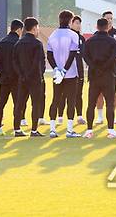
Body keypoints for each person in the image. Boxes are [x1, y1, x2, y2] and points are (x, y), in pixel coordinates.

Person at [82, 18, 116, 138]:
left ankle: (89, 130)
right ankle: (111, 130)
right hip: (108, 76)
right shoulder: (112, 41)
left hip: (94, 76)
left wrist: (95, 67)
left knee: (91, 103)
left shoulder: (90, 41)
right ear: (107, 27)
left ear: (96, 26)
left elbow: (85, 56)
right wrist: (104, 68)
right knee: (110, 103)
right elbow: (114, 58)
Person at [47, 10, 82, 138]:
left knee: (55, 100)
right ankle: (69, 130)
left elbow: (49, 55)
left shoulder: (52, 35)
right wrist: (65, 70)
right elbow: (72, 55)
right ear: (70, 20)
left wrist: (57, 69)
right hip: (70, 74)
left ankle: (52, 129)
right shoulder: (73, 35)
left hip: (57, 74)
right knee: (71, 101)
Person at [13, 17, 46, 137]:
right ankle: (34, 130)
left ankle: (17, 129)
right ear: (34, 28)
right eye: (37, 28)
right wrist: (38, 75)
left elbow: (15, 61)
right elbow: (38, 62)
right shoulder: (37, 44)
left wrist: (22, 74)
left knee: (20, 103)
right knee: (36, 104)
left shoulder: (19, 43)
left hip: (22, 78)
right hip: (35, 79)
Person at [0, 19, 23, 135]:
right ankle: (17, 128)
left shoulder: (1, 43)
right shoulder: (18, 43)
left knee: (1, 103)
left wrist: (2, 73)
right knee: (18, 103)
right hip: (16, 78)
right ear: (19, 29)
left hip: (4, 78)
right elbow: (19, 61)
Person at [96, 11, 116, 124]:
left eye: (111, 18)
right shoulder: (96, 35)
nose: (109, 20)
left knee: (112, 92)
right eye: (107, 18)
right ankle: (100, 116)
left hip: (113, 69)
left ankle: (112, 115)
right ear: (103, 19)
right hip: (99, 70)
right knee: (99, 93)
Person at [69, 15, 87, 125]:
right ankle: (60, 116)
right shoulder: (68, 36)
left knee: (79, 93)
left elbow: (84, 54)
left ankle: (79, 116)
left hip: (79, 68)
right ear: (71, 24)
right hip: (69, 68)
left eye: (79, 23)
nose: (78, 25)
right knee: (65, 94)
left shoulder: (82, 38)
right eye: (76, 23)